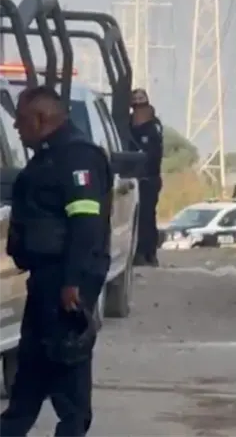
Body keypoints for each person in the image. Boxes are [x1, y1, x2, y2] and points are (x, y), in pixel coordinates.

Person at [0, 86, 113, 436]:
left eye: (20, 121)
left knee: (68, 372)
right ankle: (13, 425)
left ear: (41, 119)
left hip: (66, 281)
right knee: (33, 363)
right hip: (45, 278)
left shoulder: (77, 157)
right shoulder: (49, 155)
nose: (16, 128)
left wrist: (73, 282)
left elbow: (86, 224)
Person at [129, 88, 163, 266]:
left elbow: (153, 152)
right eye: (135, 99)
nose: (138, 102)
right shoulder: (128, 123)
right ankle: (142, 252)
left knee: (146, 216)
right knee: (139, 217)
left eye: (141, 98)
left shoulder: (153, 125)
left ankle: (147, 253)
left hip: (149, 178)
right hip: (132, 177)